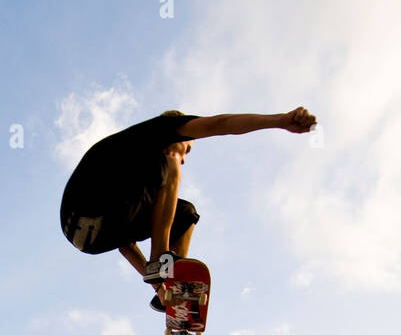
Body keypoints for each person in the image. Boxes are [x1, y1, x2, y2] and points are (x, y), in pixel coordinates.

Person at [60, 106, 317, 309]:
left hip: (85, 232)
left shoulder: (134, 168)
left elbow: (125, 245)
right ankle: (163, 262)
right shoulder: (162, 132)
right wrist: (280, 120)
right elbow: (221, 124)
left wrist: (160, 289)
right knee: (167, 164)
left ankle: (171, 282)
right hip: (86, 203)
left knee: (184, 213)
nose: (184, 160)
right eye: (188, 150)